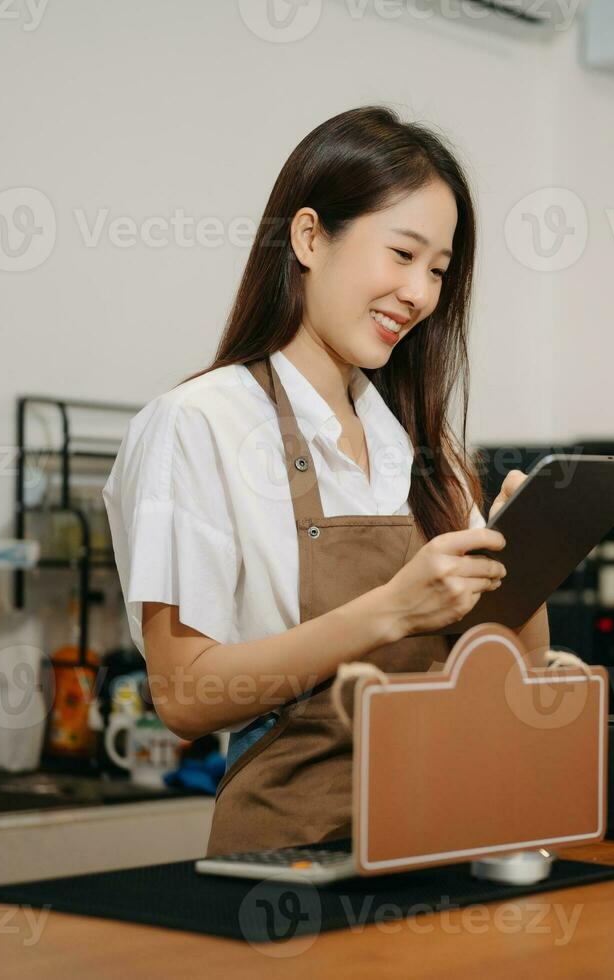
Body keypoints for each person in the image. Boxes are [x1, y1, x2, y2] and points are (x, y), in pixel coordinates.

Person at [103, 106, 548, 855]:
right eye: (402, 254)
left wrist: (525, 560)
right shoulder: (200, 425)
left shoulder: (424, 444)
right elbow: (184, 695)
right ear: (309, 237)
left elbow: (519, 669)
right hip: (287, 868)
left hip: (441, 839)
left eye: (438, 270)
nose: (420, 294)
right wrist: (390, 610)